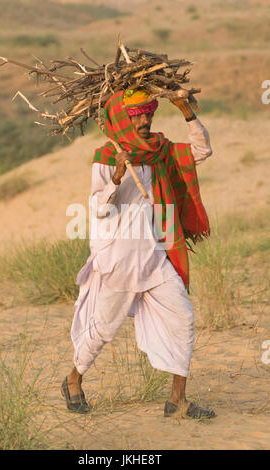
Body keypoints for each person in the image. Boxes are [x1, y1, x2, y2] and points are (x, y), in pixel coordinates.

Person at [61, 89, 216, 419]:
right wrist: (117, 176)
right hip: (119, 260)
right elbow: (99, 209)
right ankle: (73, 379)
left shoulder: (159, 150)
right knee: (103, 330)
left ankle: (178, 400)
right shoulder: (106, 156)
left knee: (183, 318)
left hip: (154, 257)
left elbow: (202, 150)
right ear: (122, 118)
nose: (145, 120)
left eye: (149, 113)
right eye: (137, 115)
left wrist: (185, 109)